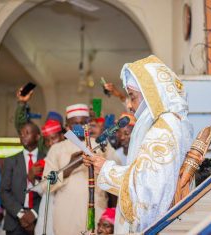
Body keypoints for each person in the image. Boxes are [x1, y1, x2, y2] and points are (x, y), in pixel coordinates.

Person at [83, 55, 193, 233]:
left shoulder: (163, 130)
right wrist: (104, 166)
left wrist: (106, 169)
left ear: (151, 94)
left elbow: (149, 191)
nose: (131, 106)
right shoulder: (171, 124)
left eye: (132, 97)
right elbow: (148, 176)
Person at [42, 104, 108, 235]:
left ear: (89, 124)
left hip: (96, 212)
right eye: (75, 124)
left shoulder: (101, 146)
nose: (80, 127)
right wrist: (70, 166)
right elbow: (46, 185)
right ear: (67, 126)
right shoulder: (56, 150)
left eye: (83, 123)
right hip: (66, 215)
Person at [0, 122, 45, 235]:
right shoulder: (10, 161)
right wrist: (21, 214)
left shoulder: (47, 159)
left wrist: (33, 213)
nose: (22, 136)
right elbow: (3, 192)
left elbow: (50, 192)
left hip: (40, 220)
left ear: (38, 136)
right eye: (21, 133)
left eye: (27, 133)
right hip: (14, 221)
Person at [32, 120, 65, 235]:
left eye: (54, 138)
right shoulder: (44, 161)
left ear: (62, 136)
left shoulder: (71, 155)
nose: (51, 143)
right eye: (47, 140)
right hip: (48, 209)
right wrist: (32, 176)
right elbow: (41, 190)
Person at [15, 85, 64, 154]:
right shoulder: (42, 144)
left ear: (61, 135)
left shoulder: (69, 144)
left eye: (54, 137)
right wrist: (22, 103)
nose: (50, 143)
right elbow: (23, 126)